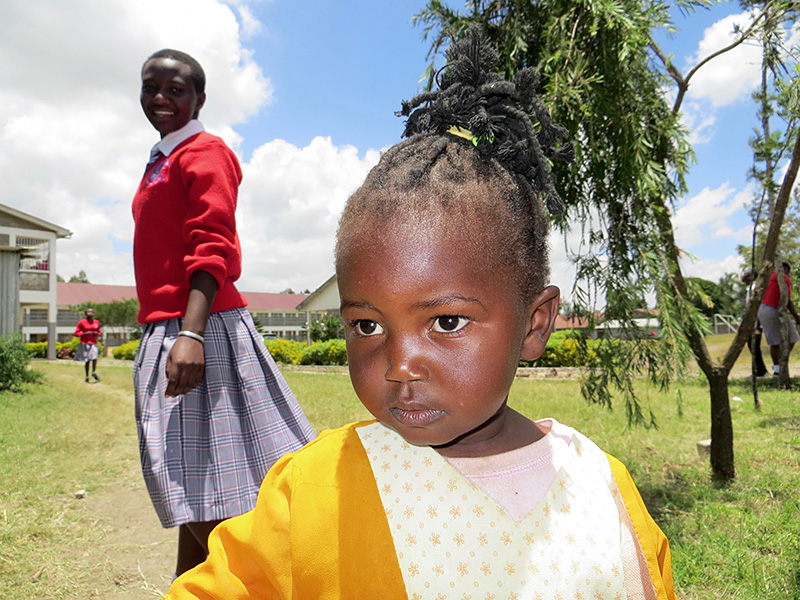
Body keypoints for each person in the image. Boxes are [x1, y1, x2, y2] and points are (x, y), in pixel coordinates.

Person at [164, 30, 677, 599]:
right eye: (368, 326)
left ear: (535, 324)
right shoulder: (311, 490)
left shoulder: (605, 491)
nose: (399, 366)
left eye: (447, 322)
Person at [133, 48, 315, 578]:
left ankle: (263, 585)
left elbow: (212, 245)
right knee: (200, 490)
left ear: (200, 98)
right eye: (151, 87)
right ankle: (190, 589)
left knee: (215, 494)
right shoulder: (162, 158)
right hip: (167, 326)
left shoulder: (204, 152)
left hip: (198, 326)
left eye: (176, 89)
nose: (162, 99)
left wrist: (190, 336)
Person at [757, 262, 800, 377]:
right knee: (793, 337)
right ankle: (782, 364)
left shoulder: (768, 277)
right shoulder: (783, 277)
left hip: (762, 309)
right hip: (773, 309)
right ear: (785, 269)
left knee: (774, 342)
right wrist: (796, 317)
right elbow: (787, 300)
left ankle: (777, 369)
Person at [741, 269, 767, 377]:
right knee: (752, 346)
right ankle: (759, 368)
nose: (743, 277)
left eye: (746, 275)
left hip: (756, 322)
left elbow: (758, 307)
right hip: (750, 322)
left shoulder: (755, 289)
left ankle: (760, 370)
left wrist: (758, 327)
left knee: (754, 345)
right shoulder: (749, 289)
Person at [73, 307, 101, 382]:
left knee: (95, 357)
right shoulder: (82, 322)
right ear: (86, 314)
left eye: (92, 312)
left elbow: (99, 332)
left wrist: (97, 334)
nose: (90, 313)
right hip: (85, 343)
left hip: (94, 342)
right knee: (88, 360)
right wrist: (84, 333)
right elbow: (76, 333)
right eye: (89, 312)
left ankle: (94, 372)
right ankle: (87, 376)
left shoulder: (96, 322)